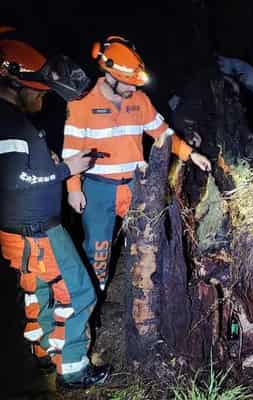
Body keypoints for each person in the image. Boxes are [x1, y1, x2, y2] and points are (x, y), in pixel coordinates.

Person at [0, 28, 111, 389]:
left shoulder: (8, 121)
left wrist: (49, 165)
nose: (43, 99)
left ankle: (47, 355)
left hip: (19, 231)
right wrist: (68, 169)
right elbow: (18, 179)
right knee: (79, 293)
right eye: (39, 91)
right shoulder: (10, 122)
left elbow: (16, 172)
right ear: (13, 83)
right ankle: (75, 370)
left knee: (41, 294)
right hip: (38, 231)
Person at [62, 35, 211, 292]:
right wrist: (73, 188)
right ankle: (91, 306)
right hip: (98, 190)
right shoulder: (81, 103)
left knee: (147, 246)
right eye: (128, 83)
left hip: (134, 185)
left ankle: (146, 304)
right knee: (98, 252)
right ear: (111, 75)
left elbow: (163, 133)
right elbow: (71, 152)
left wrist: (189, 154)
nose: (133, 89)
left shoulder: (140, 101)